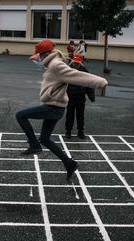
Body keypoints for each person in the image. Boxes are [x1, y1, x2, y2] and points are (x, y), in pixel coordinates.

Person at [15, 39, 107, 182]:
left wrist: (99, 82)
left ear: (44, 54)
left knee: (20, 115)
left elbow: (77, 76)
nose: (37, 59)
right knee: (45, 138)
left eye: (38, 56)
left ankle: (34, 145)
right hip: (54, 105)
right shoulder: (52, 64)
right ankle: (69, 164)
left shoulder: (56, 65)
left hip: (54, 107)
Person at [65, 53, 95, 139]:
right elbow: (61, 82)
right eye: (75, 62)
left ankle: (80, 131)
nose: (76, 64)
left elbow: (89, 84)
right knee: (69, 115)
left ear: (81, 62)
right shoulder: (68, 69)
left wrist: (91, 96)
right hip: (70, 96)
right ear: (72, 61)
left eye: (77, 63)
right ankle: (68, 131)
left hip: (80, 96)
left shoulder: (85, 70)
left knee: (80, 115)